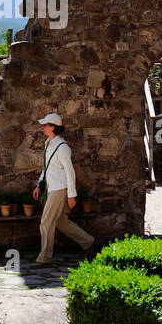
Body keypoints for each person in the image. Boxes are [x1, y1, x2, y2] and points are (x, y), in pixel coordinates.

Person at [30, 112, 94, 266]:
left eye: (45, 125)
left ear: (53, 127)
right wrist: (40, 184)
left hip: (60, 189)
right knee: (60, 221)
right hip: (52, 188)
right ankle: (89, 242)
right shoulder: (48, 144)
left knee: (45, 222)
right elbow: (46, 167)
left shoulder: (62, 147)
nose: (43, 127)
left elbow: (70, 172)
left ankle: (45, 258)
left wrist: (71, 196)